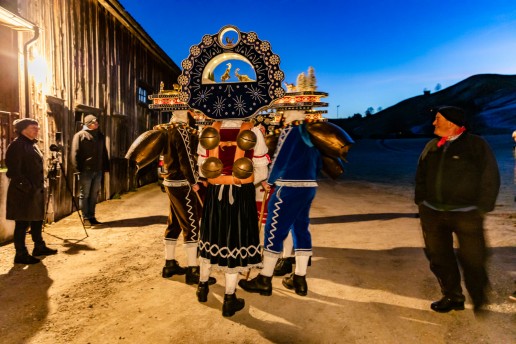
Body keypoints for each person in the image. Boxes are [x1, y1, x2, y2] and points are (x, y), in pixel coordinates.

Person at [415, 105, 500, 314]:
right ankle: (452, 296)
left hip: (466, 213)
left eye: (438, 119)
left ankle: (479, 296)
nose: (434, 123)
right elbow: (421, 175)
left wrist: (482, 207)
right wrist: (422, 202)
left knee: (473, 257)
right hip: (433, 213)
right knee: (439, 257)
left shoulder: (476, 144)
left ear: (451, 122)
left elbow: (490, 176)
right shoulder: (432, 146)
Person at [239, 110, 323, 297]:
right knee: (301, 229)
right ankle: (299, 279)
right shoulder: (310, 132)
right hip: (308, 187)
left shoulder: (290, 131)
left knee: (274, 230)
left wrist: (270, 181)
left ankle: (265, 278)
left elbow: (280, 160)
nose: (282, 114)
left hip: (288, 187)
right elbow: (318, 163)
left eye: (285, 111)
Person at [196, 119, 269, 317]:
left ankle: (202, 287)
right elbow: (262, 170)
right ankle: (229, 299)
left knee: (210, 237)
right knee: (235, 242)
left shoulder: (210, 130)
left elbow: (202, 165)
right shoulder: (253, 130)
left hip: (214, 193)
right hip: (240, 194)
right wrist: (245, 181)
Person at [155, 110, 215, 285]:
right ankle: (192, 269)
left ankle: (169, 263)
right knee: (191, 224)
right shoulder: (181, 131)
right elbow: (186, 159)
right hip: (181, 183)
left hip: (171, 182)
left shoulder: (166, 129)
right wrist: (194, 180)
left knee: (174, 223)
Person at [6, 118, 58, 264]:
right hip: (23, 192)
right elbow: (14, 171)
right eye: (33, 127)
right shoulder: (17, 145)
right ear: (23, 129)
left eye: (37, 127)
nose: (37, 130)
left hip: (36, 190)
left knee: (37, 220)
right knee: (22, 223)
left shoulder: (32, 144)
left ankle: (39, 246)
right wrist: (27, 187)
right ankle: (20, 254)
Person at [71, 114, 109, 228]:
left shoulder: (100, 136)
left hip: (97, 170)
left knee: (94, 195)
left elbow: (104, 152)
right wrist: (77, 169)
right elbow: (74, 153)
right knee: (84, 195)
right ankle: (86, 218)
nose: (96, 124)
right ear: (88, 123)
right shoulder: (80, 135)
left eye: (97, 122)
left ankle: (92, 217)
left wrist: (106, 167)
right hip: (85, 170)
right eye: (94, 122)